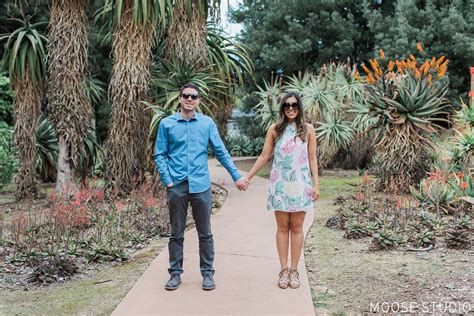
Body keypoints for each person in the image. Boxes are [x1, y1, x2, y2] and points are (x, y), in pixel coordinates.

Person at [154, 83, 249, 291]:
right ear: (179, 99)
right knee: (176, 232)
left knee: (205, 233)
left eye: (194, 96)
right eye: (186, 96)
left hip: (201, 186)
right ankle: (175, 274)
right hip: (177, 186)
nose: (189, 99)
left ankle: (207, 274)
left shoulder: (206, 124)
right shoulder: (166, 124)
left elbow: (221, 152)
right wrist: (167, 180)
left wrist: (236, 177)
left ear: (198, 100)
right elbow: (159, 154)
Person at [244, 92, 319, 289]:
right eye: (287, 105)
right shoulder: (275, 129)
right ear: (282, 108)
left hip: (301, 184)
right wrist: (249, 176)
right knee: (282, 227)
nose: (291, 109)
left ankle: (294, 270)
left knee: (297, 227)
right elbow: (264, 156)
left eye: (294, 105)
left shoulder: (308, 130)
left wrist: (316, 184)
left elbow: (312, 158)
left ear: (300, 107)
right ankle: (283, 270)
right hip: (280, 185)